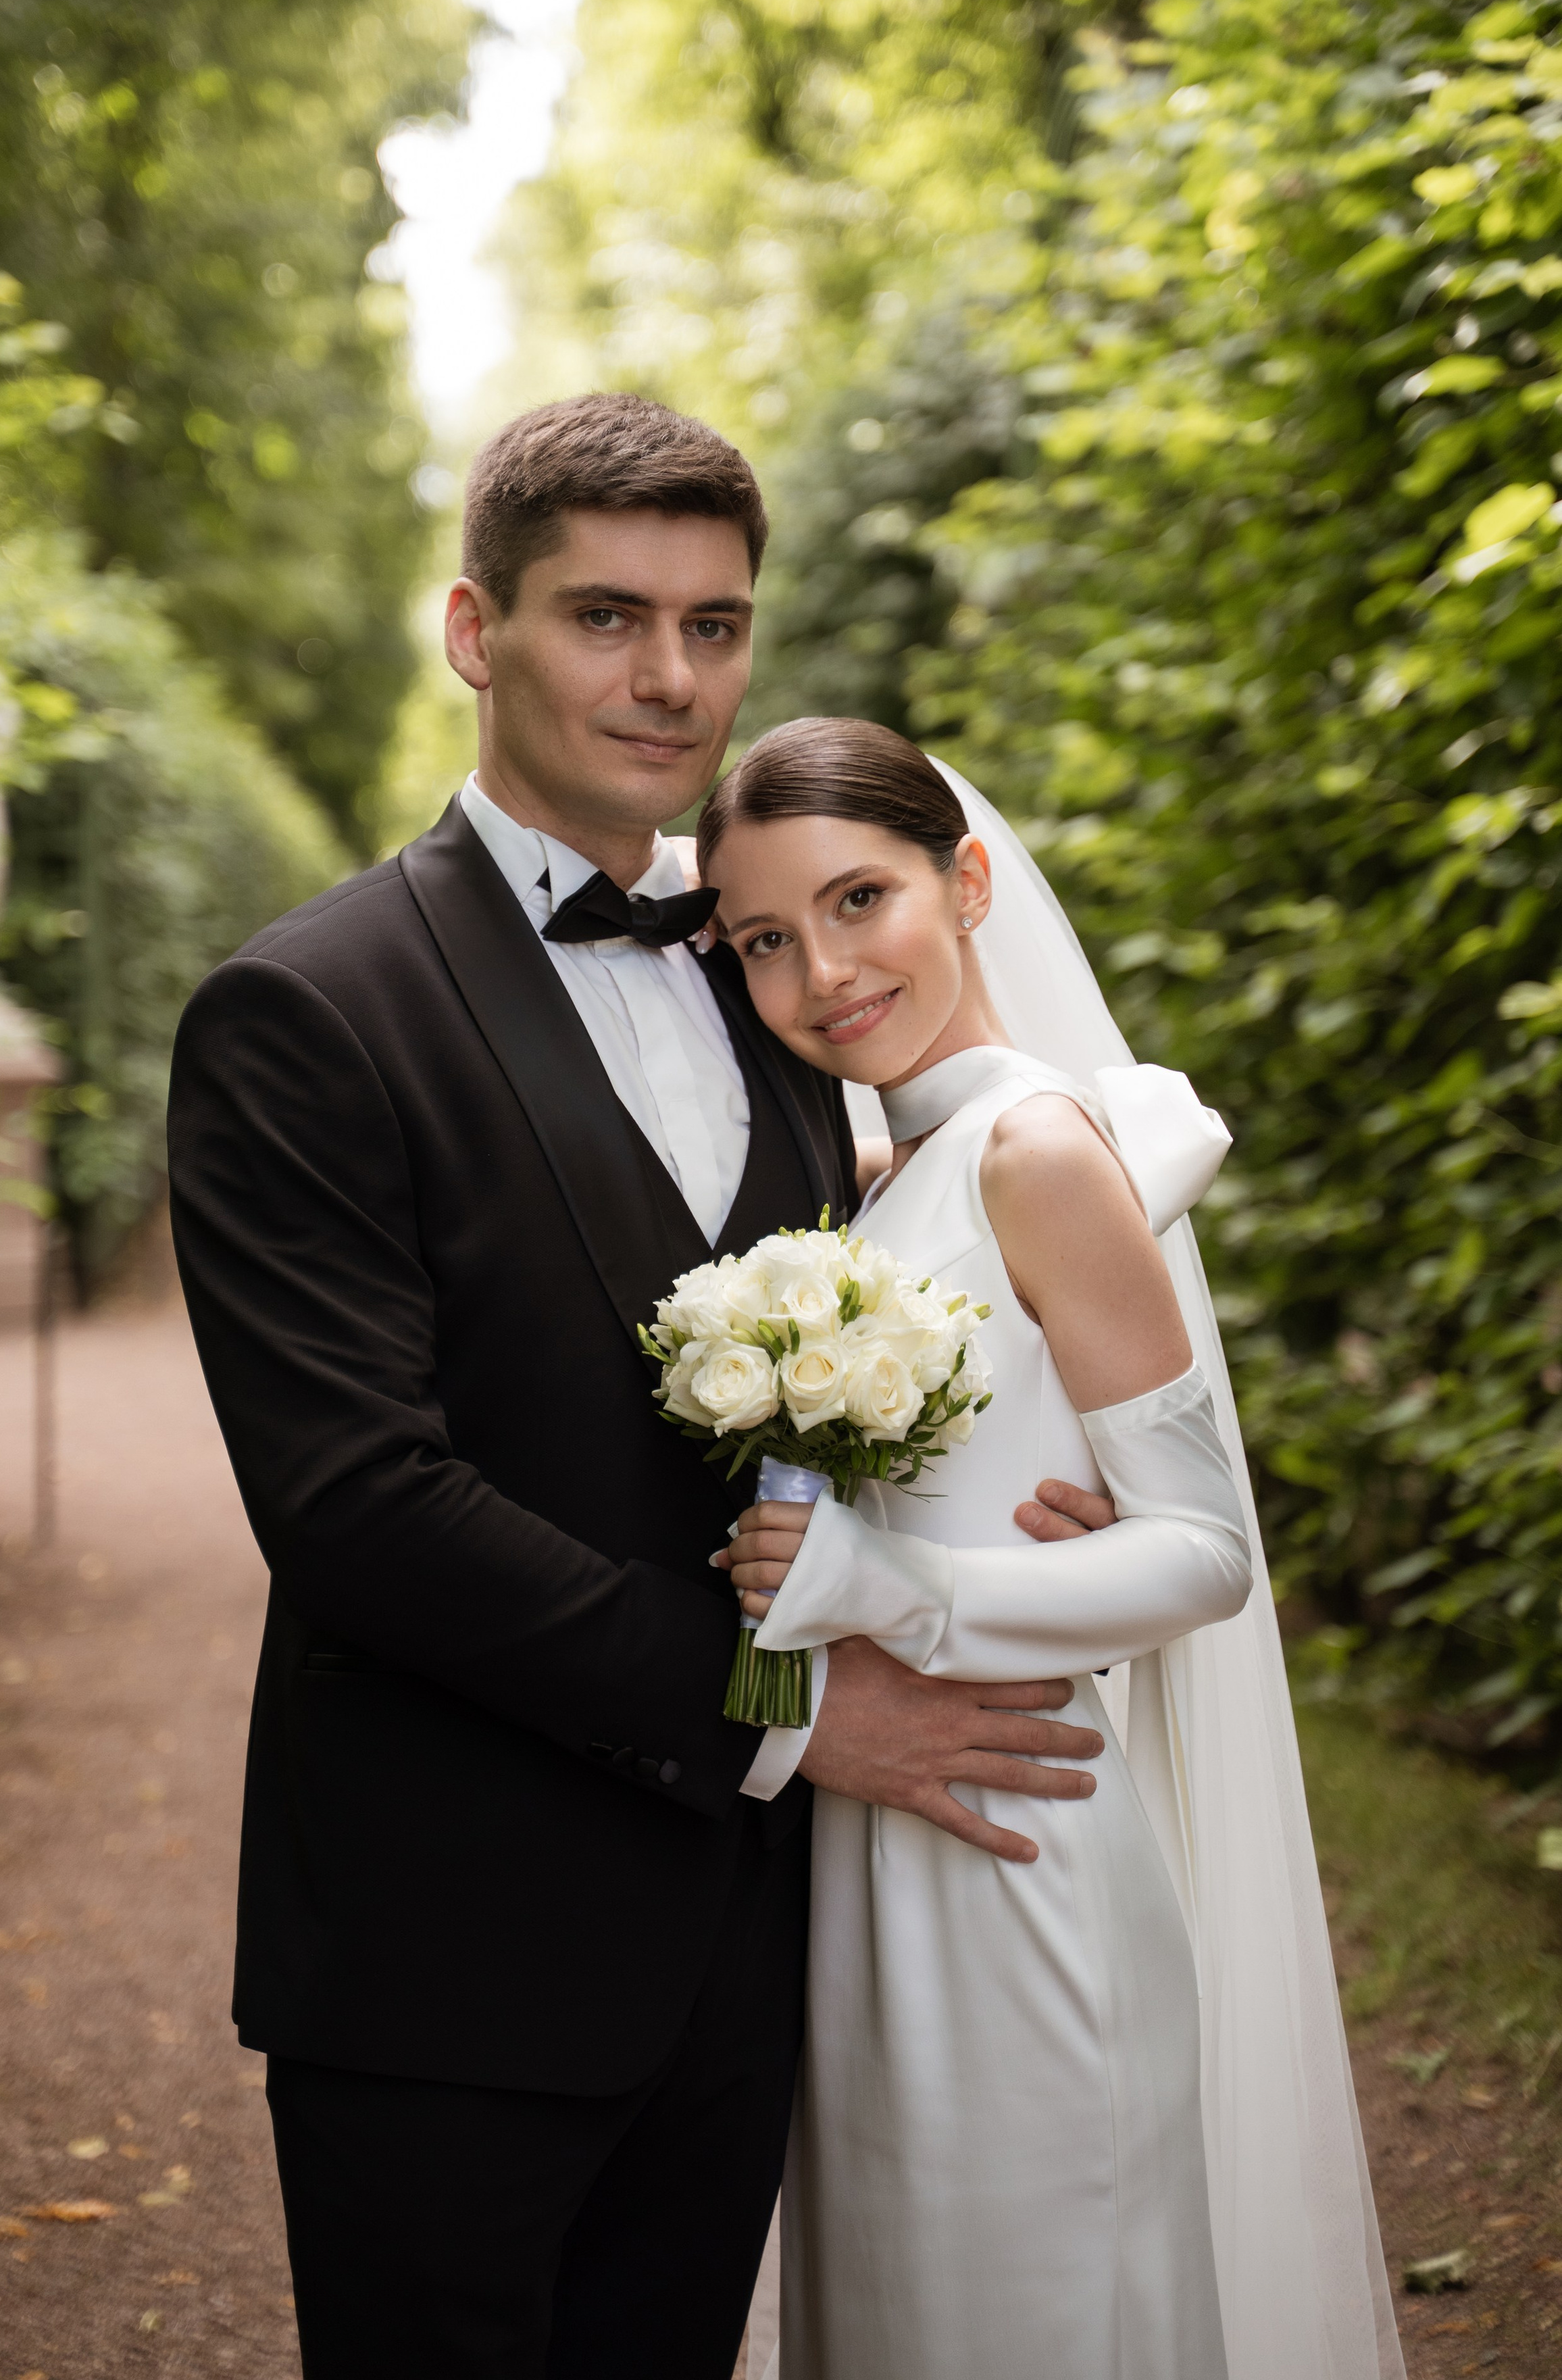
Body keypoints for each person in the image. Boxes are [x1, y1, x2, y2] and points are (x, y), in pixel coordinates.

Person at [166, 395, 1111, 2380]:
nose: (668, 675)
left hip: (751, 1942)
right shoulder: (304, 1012)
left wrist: (1037, 1480)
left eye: (714, 624)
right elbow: (359, 1509)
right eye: (606, 614)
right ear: (472, 628)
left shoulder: (788, 972)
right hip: (450, 1953)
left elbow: (961, 1268)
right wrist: (785, 1710)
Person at [701, 717, 1405, 2380]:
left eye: (857, 897)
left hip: (1023, 1848)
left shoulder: (1032, 1150)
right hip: (880, 1860)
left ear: (967, 882)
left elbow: (1204, 1552)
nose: (821, 969)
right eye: (762, 941)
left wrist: (894, 1592)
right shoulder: (885, 1181)